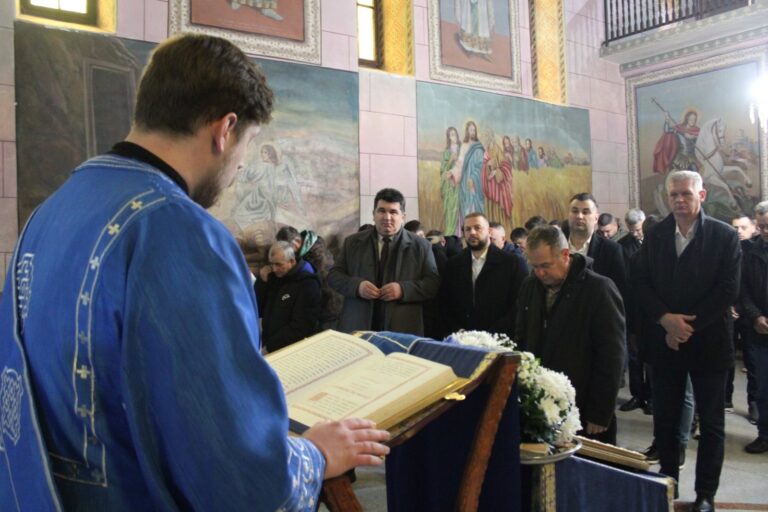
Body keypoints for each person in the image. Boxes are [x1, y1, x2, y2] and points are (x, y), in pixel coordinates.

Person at [0, 34, 390, 510]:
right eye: (247, 144)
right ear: (225, 129)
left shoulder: (51, 212)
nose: (241, 164)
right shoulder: (179, 231)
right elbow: (237, 470)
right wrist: (315, 453)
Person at [633, 170, 741, 511]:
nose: (679, 200)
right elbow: (641, 282)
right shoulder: (656, 234)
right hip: (665, 342)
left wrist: (685, 328)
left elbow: (727, 289)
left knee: (710, 424)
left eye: (686, 194)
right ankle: (667, 483)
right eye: (674, 195)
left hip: (708, 341)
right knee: (665, 419)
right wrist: (665, 320)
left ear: (702, 195)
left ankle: (705, 495)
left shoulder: (724, 236)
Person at [516, 225, 625, 444]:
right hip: (541, 404)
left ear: (565, 255)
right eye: (534, 266)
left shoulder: (599, 289)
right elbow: (522, 338)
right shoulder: (530, 286)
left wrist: (600, 411)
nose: (540, 273)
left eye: (545, 265)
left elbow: (612, 356)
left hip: (584, 405)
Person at [328, 188, 440, 335]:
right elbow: (334, 276)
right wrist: (357, 286)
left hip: (402, 327)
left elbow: (432, 283)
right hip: (358, 324)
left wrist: (403, 290)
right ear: (374, 214)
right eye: (381, 211)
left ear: (403, 216)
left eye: (393, 212)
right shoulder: (352, 242)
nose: (387, 217)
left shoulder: (421, 246)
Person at [439, 213, 527, 340]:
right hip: (463, 339)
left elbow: (519, 304)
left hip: (501, 338)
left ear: (489, 231)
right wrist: (459, 332)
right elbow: (445, 303)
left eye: (477, 227)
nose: (472, 232)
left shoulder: (512, 263)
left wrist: (491, 335)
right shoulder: (453, 265)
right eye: (467, 229)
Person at [738, 201, 768, 454]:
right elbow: (743, 289)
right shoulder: (750, 253)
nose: (767, 230)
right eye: (763, 227)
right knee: (762, 387)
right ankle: (765, 434)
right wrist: (756, 316)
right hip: (759, 330)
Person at [256, 241, 322, 353]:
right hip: (268, 344)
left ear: (292, 261)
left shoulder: (307, 284)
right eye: (271, 264)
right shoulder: (273, 278)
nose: (274, 269)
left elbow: (301, 325)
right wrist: (262, 283)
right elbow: (257, 309)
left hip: (292, 350)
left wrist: (271, 347)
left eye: (278, 264)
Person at [567, 193, 629, 303]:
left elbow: (621, 292)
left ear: (596, 218)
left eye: (586, 212)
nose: (579, 216)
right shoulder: (556, 246)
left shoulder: (611, 250)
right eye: (575, 211)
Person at [481, 129, 513, 226]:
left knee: (498, 205)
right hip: (489, 184)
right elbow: (483, 165)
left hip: (497, 185)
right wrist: (487, 166)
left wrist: (496, 171)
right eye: (486, 136)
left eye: (489, 136)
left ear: (492, 137)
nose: (487, 138)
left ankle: (499, 225)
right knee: (490, 206)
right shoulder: (485, 151)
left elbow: (505, 164)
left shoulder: (497, 148)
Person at [457, 121, 485, 218]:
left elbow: (481, 164)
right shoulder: (464, 145)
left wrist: (473, 177)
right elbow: (460, 162)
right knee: (466, 205)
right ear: (467, 131)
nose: (472, 132)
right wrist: (453, 174)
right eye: (471, 130)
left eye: (474, 130)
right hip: (465, 178)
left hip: (476, 179)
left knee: (475, 201)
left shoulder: (478, 146)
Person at [440, 126, 462, 237]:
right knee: (451, 210)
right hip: (450, 187)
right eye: (451, 135)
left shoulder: (462, 149)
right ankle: (452, 235)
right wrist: (450, 161)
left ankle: (461, 233)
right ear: (448, 137)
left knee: (460, 210)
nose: (453, 136)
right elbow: (443, 171)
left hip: (460, 185)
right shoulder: (447, 152)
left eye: (455, 134)